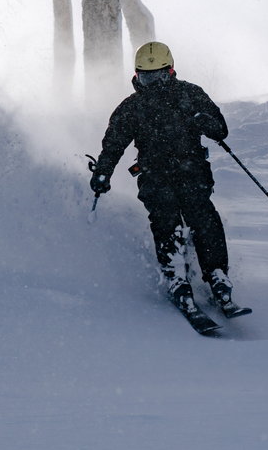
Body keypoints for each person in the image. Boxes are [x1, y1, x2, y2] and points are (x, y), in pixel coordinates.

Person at [89, 41, 239, 315]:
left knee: (203, 217)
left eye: (157, 75)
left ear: (169, 71)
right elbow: (113, 145)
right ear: (136, 75)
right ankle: (176, 278)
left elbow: (220, 129)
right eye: (146, 76)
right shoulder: (132, 107)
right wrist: (102, 172)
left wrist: (205, 121)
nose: (152, 82)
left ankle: (217, 274)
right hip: (155, 175)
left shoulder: (190, 95)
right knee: (165, 220)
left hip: (191, 171)